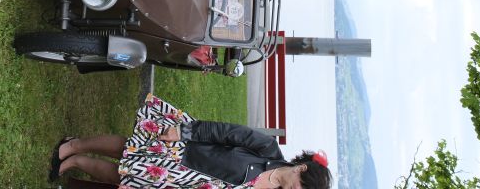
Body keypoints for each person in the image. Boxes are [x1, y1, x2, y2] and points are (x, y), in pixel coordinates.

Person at [49, 94, 332, 188]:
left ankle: (75, 162)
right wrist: (185, 132)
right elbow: (225, 132)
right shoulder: (267, 149)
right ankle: (73, 145)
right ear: (301, 169)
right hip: (184, 156)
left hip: (181, 184)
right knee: (127, 148)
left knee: (121, 178)